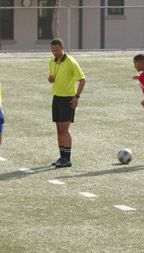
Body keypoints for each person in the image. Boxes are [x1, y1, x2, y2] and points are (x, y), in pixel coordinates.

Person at [48, 38, 86, 168]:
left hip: (68, 99)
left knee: (65, 129)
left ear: (62, 47)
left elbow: (82, 80)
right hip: (56, 98)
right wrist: (51, 79)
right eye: (53, 50)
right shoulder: (52, 61)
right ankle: (62, 157)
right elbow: (53, 78)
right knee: (59, 130)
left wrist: (76, 97)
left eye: (57, 50)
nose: (55, 52)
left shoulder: (71, 61)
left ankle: (67, 159)